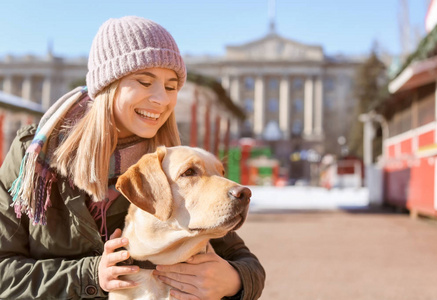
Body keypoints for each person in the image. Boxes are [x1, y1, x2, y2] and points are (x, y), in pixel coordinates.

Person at [0, 16, 265, 300]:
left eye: (171, 86)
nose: (161, 99)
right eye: (144, 81)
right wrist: (90, 276)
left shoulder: (171, 168)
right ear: (108, 86)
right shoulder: (34, 157)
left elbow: (244, 261)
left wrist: (234, 281)